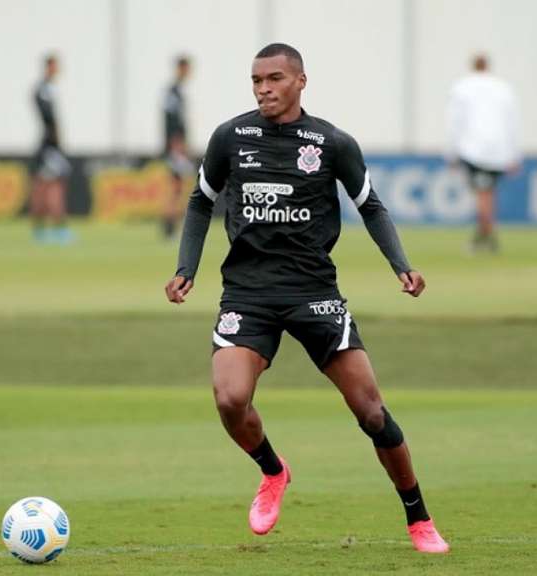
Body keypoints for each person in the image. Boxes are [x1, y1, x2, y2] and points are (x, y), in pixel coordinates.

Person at [164, 43, 449, 554]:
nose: (264, 88)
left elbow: (372, 208)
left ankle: (419, 518)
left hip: (314, 292)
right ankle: (273, 472)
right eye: (256, 80)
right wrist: (186, 268)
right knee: (230, 399)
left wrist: (402, 265)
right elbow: (200, 202)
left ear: (300, 81)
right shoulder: (231, 137)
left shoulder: (331, 142)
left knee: (371, 412)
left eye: (274, 78)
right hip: (248, 294)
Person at [446, 53, 520, 253]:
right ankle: (486, 232)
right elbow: (512, 121)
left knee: (482, 193)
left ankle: (486, 236)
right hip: (499, 150)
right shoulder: (504, 88)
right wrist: (514, 155)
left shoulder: (462, 87)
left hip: (475, 149)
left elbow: (455, 121)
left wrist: (452, 153)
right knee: (488, 192)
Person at [31, 54, 73, 244]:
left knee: (42, 186)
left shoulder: (45, 88)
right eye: (55, 66)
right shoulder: (44, 89)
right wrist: (55, 138)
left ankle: (39, 229)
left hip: (47, 146)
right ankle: (58, 230)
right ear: (49, 67)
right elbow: (48, 117)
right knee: (54, 186)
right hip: (50, 147)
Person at [161, 55, 194, 239]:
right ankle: (169, 227)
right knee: (175, 186)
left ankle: (171, 227)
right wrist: (177, 145)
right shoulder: (173, 92)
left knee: (178, 186)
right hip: (175, 146)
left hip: (177, 145)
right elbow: (171, 122)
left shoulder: (177, 91)